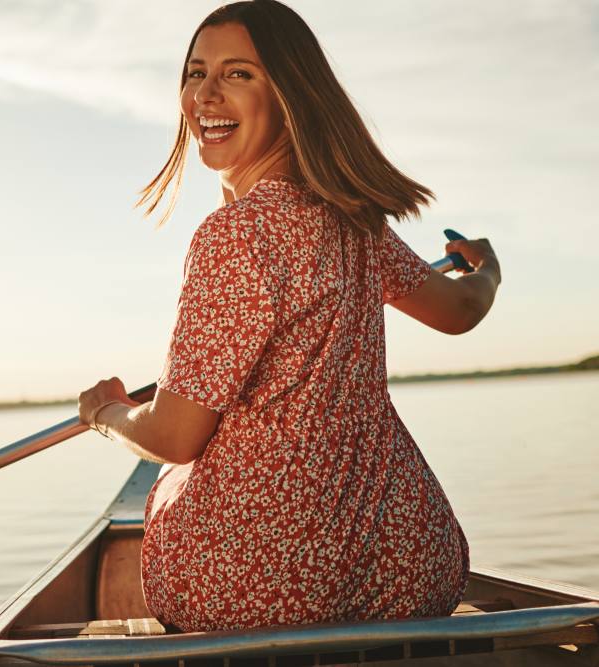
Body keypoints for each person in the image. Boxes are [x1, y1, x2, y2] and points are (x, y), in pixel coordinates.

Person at [77, 0, 502, 632]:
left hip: (255, 583)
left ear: (289, 94)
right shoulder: (359, 223)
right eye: (195, 73)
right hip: (408, 566)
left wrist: (106, 414)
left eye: (238, 73)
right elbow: (461, 309)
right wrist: (486, 265)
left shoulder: (235, 235)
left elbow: (174, 436)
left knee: (170, 477)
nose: (205, 95)